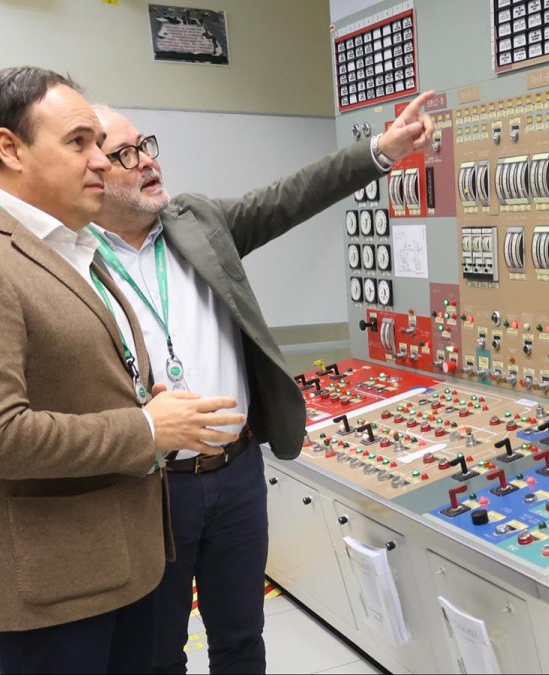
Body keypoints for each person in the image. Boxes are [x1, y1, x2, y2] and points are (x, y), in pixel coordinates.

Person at [0, 66, 245, 675]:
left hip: (123, 559)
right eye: (78, 143)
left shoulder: (71, 247)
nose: (103, 161)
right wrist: (145, 430)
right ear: (10, 148)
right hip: (56, 583)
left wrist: (142, 397)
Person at [89, 91, 435, 673]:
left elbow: (288, 198)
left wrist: (382, 149)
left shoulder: (194, 221)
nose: (148, 161)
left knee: (242, 638)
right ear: (91, 174)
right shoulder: (72, 260)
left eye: (146, 145)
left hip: (238, 471)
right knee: (155, 653)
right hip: (151, 487)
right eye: (126, 154)